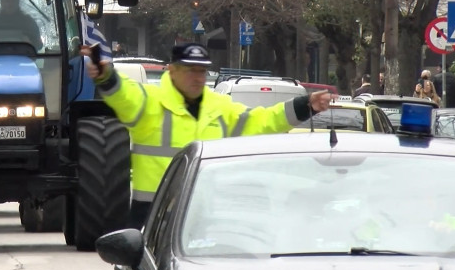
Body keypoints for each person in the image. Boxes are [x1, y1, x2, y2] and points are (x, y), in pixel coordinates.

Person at [82, 42, 334, 230]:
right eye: (190, 70)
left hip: (206, 217)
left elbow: (264, 122)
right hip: (154, 217)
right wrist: (106, 77)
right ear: (171, 71)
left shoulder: (221, 108)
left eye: (202, 71)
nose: (198, 77)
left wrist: (305, 106)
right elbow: (124, 94)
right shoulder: (149, 103)